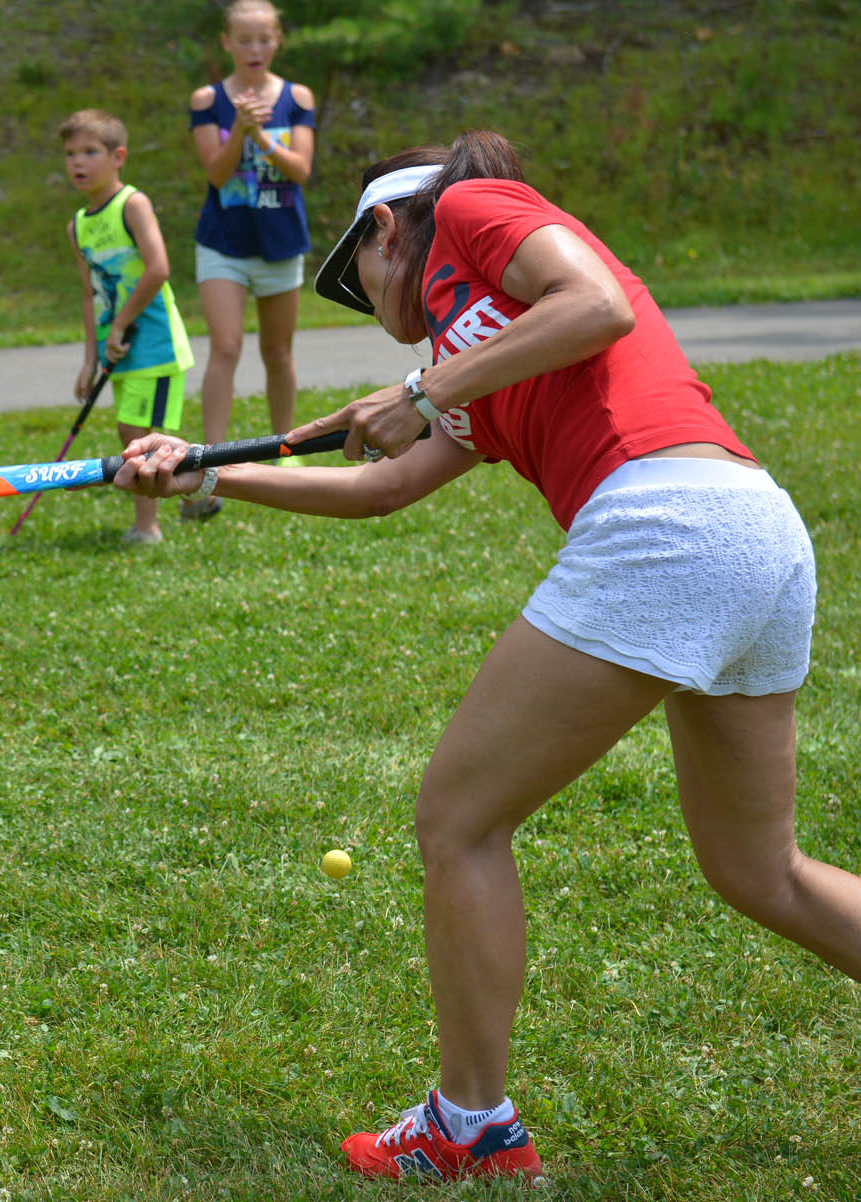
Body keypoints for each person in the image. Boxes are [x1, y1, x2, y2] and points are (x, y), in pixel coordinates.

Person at [112, 129, 861, 1180]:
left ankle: (470, 1127)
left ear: (386, 230)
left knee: (458, 817)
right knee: (758, 869)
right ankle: (471, 1122)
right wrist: (207, 475)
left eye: (360, 279)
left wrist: (421, 393)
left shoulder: (476, 209)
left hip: (669, 520)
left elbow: (595, 304)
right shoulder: (468, 359)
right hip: (755, 536)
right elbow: (382, 484)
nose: (373, 311)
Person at [186, 0, 316, 517]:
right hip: (222, 243)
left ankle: (282, 449)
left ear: (278, 40)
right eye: (244, 40)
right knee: (225, 346)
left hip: (280, 241)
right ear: (226, 43)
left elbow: (301, 169)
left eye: (264, 39)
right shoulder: (207, 99)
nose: (254, 49)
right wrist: (238, 128)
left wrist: (260, 134)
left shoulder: (296, 96)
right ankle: (211, 467)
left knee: (278, 353)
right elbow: (215, 176)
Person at [60, 110, 195, 546]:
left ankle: (148, 528)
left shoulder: (131, 205)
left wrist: (120, 324)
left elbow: (157, 268)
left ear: (118, 156)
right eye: (70, 154)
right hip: (116, 348)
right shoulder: (78, 225)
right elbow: (88, 293)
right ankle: (201, 491)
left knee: (141, 438)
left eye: (90, 152)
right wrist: (89, 359)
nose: (78, 162)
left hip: (152, 343)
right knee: (129, 432)